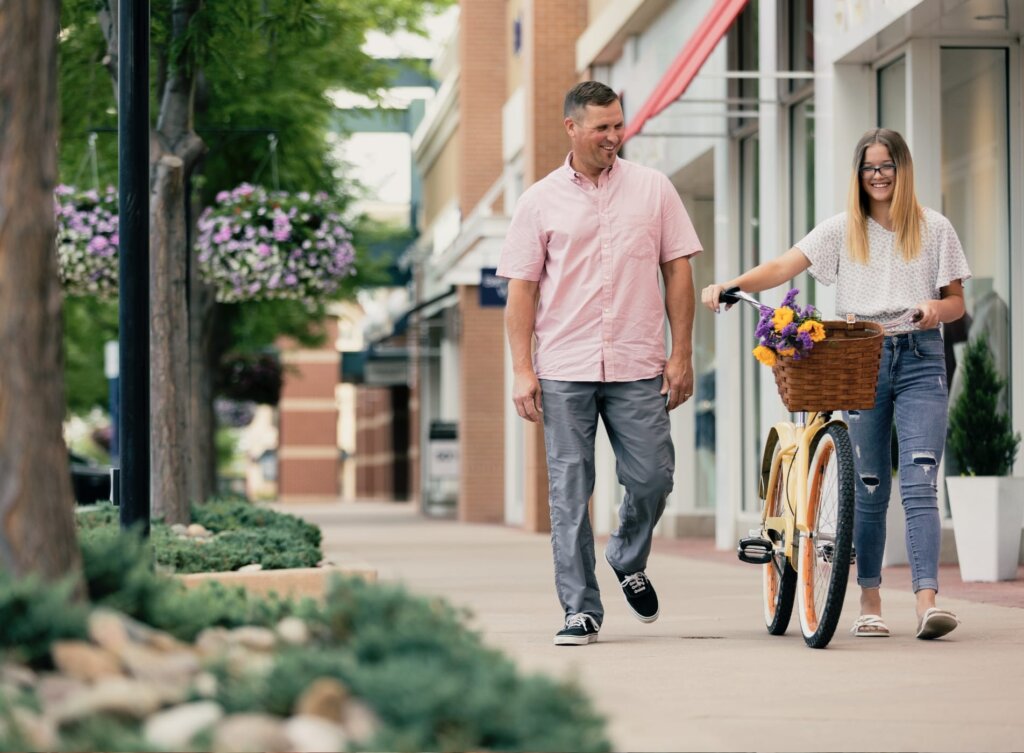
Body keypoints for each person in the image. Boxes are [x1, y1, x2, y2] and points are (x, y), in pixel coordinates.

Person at [702, 128, 971, 640]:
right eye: (869, 167)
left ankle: (926, 602)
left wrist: (934, 309)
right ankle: (869, 601)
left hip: (920, 357)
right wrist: (732, 285)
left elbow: (956, 302)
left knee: (918, 482)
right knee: (869, 486)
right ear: (858, 174)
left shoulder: (934, 228)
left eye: (886, 165)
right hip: (861, 356)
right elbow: (785, 265)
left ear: (903, 168)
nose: (878, 175)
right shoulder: (842, 230)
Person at [497, 81, 702, 646]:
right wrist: (522, 368)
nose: (615, 136)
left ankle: (627, 555)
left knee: (654, 477)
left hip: (639, 362)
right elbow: (522, 290)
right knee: (569, 492)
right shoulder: (538, 200)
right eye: (603, 127)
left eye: (619, 125)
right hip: (564, 364)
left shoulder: (654, 189)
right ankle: (580, 609)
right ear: (572, 128)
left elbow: (678, 272)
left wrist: (680, 353)